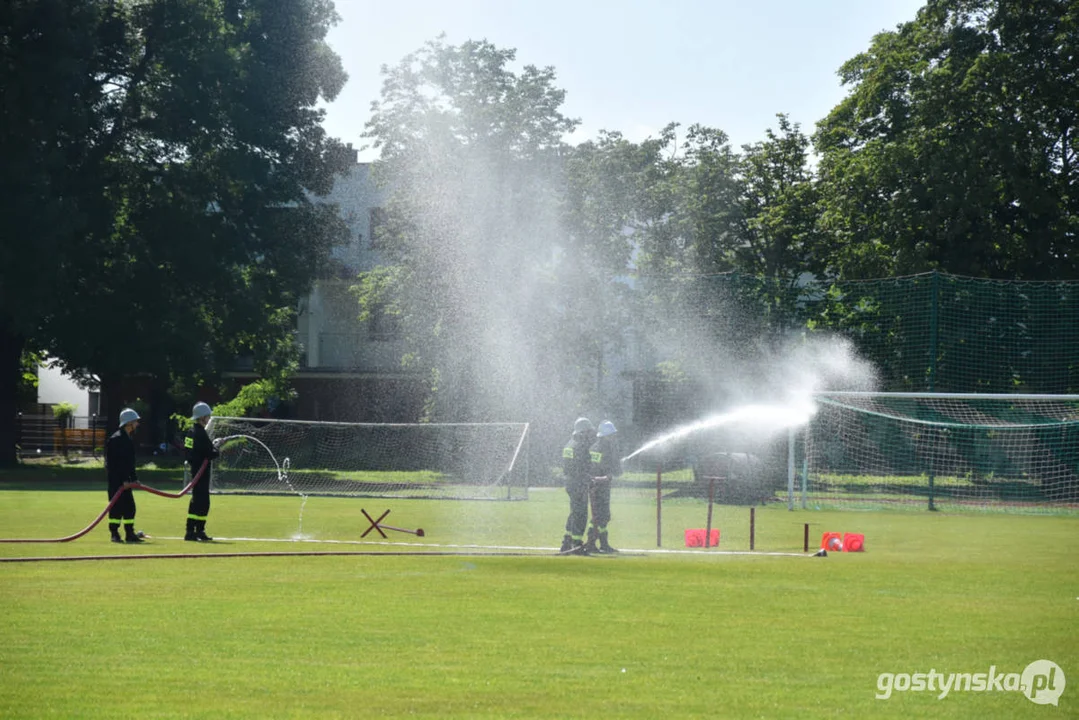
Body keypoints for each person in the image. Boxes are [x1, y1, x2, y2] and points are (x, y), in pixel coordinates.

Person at [105, 408, 144, 543]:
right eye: (135, 422)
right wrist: (122, 481)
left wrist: (134, 479)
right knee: (116, 509)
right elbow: (113, 464)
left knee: (129, 508)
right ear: (129, 423)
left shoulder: (127, 439)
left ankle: (129, 533)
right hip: (117, 482)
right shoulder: (115, 440)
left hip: (127, 482)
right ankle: (114, 534)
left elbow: (129, 464)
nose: (137, 424)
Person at [183, 402, 220, 541]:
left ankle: (191, 531)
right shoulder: (201, 433)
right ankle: (198, 530)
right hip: (202, 473)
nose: (209, 418)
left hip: (195, 471)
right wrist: (217, 448)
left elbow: (188, 452)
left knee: (196, 501)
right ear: (202, 417)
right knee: (203, 503)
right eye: (208, 416)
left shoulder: (190, 432)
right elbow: (211, 453)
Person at [560, 417, 595, 554]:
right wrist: (588, 478)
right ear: (582, 432)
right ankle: (577, 544)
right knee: (580, 514)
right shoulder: (580, 446)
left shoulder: (569, 444)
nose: (590, 435)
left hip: (571, 482)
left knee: (574, 512)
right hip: (578, 483)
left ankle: (566, 541)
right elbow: (581, 467)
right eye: (588, 432)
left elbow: (569, 467)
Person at [587, 420, 622, 553]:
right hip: (601, 486)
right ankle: (593, 543)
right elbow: (615, 471)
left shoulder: (593, 447)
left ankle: (602, 543)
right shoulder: (607, 449)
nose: (614, 437)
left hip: (594, 485)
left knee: (602, 515)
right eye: (612, 435)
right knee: (599, 516)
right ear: (606, 436)